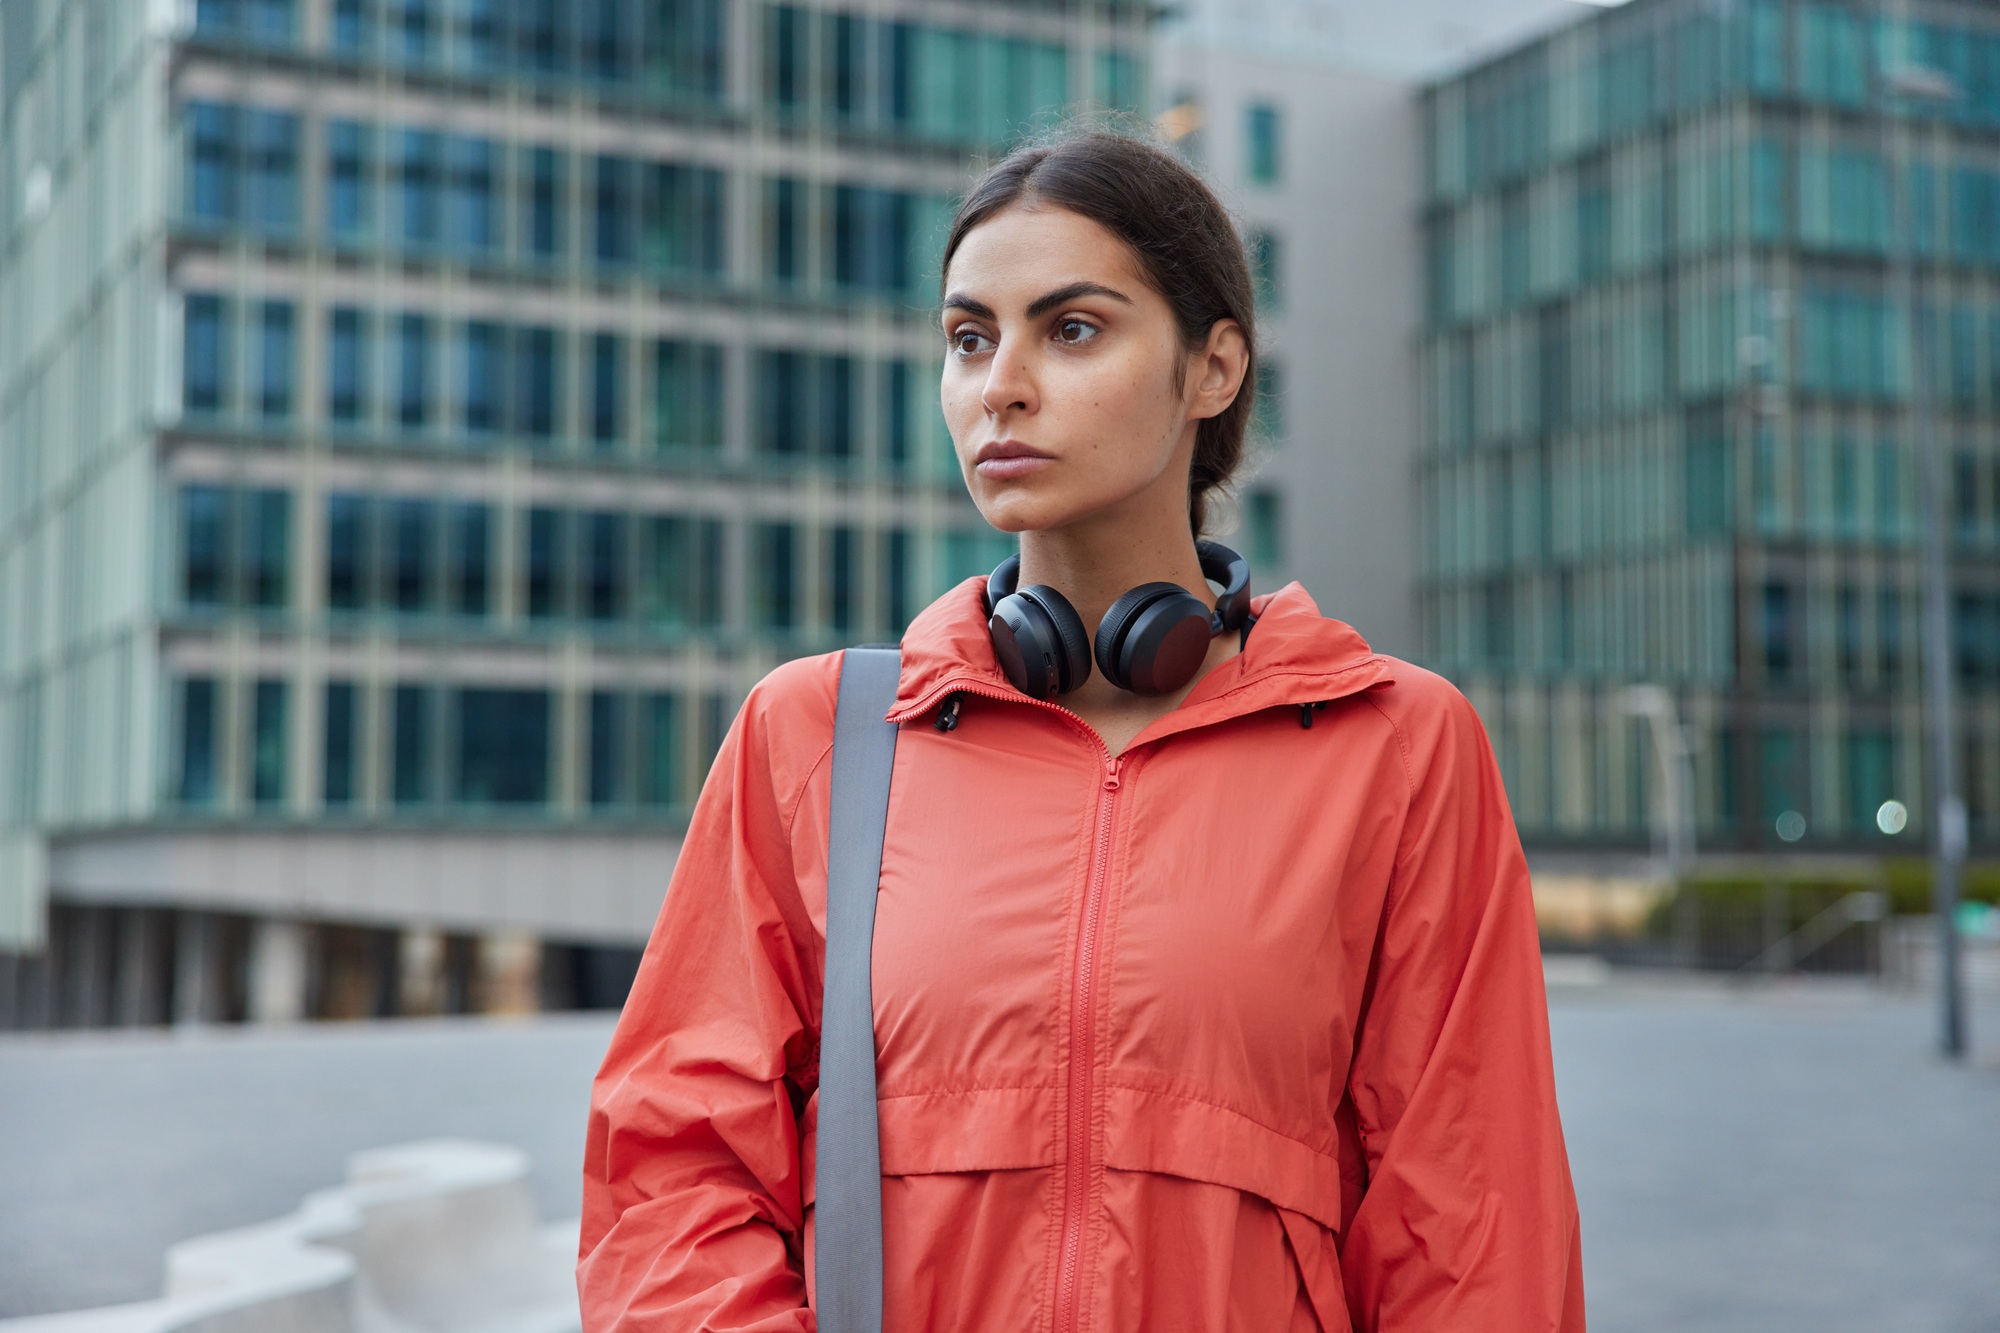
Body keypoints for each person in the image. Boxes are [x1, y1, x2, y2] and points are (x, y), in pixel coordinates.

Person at [578, 127, 1584, 1332]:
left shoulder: (1396, 745)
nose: (999, 382)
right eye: (967, 337)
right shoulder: (818, 735)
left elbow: (1474, 1234)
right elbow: (672, 1172)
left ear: (1211, 369)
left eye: (1071, 328)